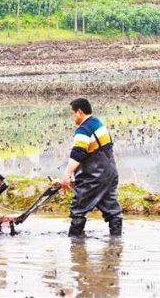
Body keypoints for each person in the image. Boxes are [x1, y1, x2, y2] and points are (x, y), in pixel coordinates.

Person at [57, 98, 123, 238]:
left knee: (78, 208)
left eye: (73, 113)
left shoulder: (84, 129)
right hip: (109, 173)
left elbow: (78, 153)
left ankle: (75, 244)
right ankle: (116, 244)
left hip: (94, 176)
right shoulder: (97, 123)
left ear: (79, 112)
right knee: (112, 209)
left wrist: (66, 175)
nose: (72, 117)